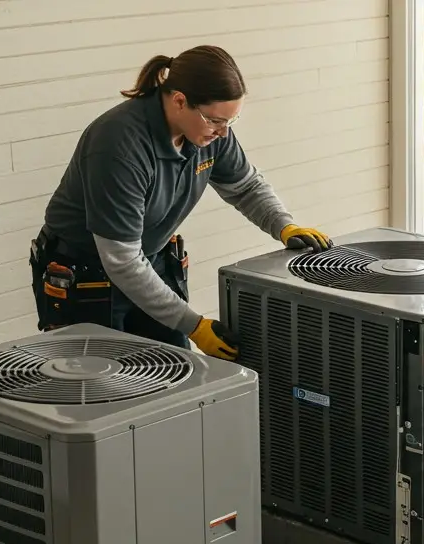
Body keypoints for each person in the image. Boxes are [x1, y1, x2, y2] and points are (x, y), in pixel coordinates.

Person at [29, 45, 334, 360]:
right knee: (101, 381)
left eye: (231, 121)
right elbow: (121, 260)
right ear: (179, 101)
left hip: (149, 263)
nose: (223, 132)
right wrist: (194, 325)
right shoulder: (119, 144)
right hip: (87, 278)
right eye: (215, 120)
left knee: (175, 369)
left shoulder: (209, 134)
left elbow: (245, 187)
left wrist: (283, 225)